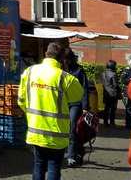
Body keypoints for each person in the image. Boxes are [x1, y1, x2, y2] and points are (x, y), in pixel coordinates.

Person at [18, 42, 83, 180]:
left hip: (36, 130)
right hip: (57, 133)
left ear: (46, 54)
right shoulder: (65, 77)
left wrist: (31, 115)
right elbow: (77, 96)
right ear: (62, 59)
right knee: (54, 166)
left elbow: (21, 100)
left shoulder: (29, 72)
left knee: (39, 164)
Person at [64, 49, 88, 167]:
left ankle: (71, 155)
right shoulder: (61, 69)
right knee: (65, 128)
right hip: (63, 102)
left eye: (66, 59)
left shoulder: (79, 70)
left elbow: (84, 88)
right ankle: (74, 152)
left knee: (72, 128)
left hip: (75, 103)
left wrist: (85, 106)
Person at [101, 60, 119, 127]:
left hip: (106, 92)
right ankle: (112, 122)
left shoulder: (103, 73)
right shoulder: (113, 74)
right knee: (113, 109)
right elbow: (115, 85)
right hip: (113, 93)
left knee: (106, 108)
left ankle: (105, 122)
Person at [123, 59, 131, 129]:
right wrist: (129, 80)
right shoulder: (127, 71)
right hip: (128, 92)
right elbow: (123, 80)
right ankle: (128, 124)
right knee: (128, 108)